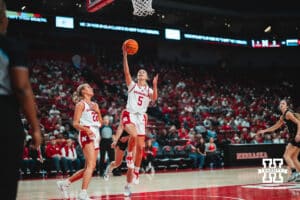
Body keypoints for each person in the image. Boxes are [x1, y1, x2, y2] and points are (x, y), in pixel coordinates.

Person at [0, 1, 42, 198]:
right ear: (3, 19)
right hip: (4, 117)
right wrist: (35, 128)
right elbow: (22, 88)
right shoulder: (10, 47)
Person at [57, 83, 102, 200]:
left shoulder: (95, 104)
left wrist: (98, 111)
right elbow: (75, 123)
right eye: (88, 87)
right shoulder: (80, 104)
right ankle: (83, 193)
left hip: (96, 134)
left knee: (90, 166)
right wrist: (86, 129)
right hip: (86, 133)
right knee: (91, 165)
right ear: (83, 92)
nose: (91, 88)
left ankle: (65, 183)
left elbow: (100, 123)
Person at [122, 43, 158, 186]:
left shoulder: (148, 89)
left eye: (143, 72)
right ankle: (129, 156)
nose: (140, 73)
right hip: (130, 114)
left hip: (141, 117)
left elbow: (154, 98)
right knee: (134, 135)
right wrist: (125, 55)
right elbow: (126, 72)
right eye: (139, 72)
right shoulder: (132, 85)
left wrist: (155, 85)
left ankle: (136, 171)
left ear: (147, 77)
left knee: (141, 148)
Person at [257, 99, 300, 182]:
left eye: (283, 103)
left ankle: (294, 173)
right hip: (295, 137)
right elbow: (276, 126)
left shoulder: (288, 113)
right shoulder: (283, 116)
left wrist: (298, 134)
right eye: (280, 103)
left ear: (287, 106)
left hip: (296, 136)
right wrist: (264, 131)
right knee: (294, 157)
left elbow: (299, 123)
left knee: (286, 156)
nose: (281, 105)